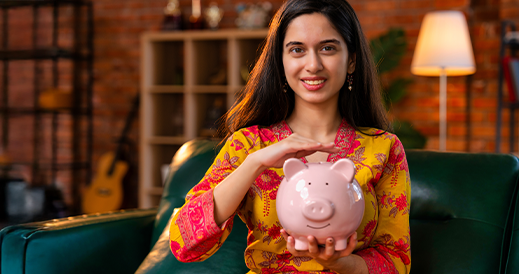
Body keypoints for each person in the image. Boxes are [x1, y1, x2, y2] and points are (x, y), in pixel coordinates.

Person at [169, 0, 411, 273]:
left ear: (351, 60)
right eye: (297, 50)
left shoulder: (383, 148)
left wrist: (342, 263)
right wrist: (254, 164)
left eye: (328, 48)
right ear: (281, 61)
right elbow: (183, 243)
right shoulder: (249, 144)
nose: (313, 64)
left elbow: (396, 261)